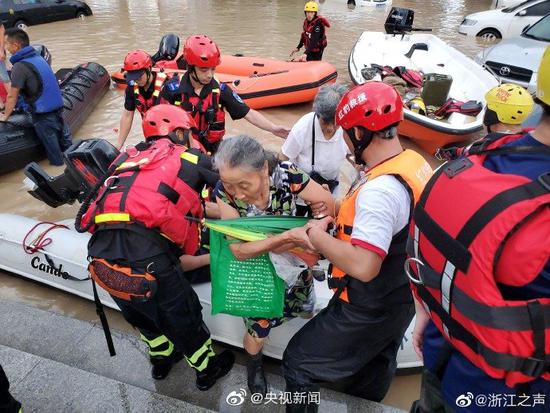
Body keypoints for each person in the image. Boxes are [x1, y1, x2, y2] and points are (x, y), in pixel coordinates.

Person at [408, 47, 550, 413]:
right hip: (513, 393)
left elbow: (425, 252)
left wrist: (426, 309)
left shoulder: (472, 161)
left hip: (444, 356)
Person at [282, 82, 433, 412]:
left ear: (362, 132)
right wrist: (336, 210)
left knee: (298, 362)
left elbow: (365, 266)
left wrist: (315, 235)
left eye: (346, 132)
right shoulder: (412, 163)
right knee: (376, 363)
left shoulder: (380, 192)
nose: (343, 139)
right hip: (401, 295)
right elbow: (396, 222)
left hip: (367, 303)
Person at [80, 104, 234, 389]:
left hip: (100, 253)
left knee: (138, 312)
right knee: (183, 314)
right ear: (178, 132)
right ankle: (206, 370)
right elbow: (231, 183)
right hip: (148, 255)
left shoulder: (126, 158)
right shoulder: (192, 157)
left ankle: (161, 361)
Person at [213, 135, 335, 396]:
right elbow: (239, 251)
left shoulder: (288, 175)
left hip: (294, 265)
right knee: (258, 330)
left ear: (264, 170)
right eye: (229, 185)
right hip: (257, 274)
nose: (238, 194)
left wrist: (319, 224)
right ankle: (253, 365)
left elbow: (326, 205)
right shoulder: (225, 194)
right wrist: (286, 238)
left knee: (304, 308)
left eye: (244, 184)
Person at [161, 34, 289, 154]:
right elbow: (158, 123)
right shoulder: (172, 90)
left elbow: (248, 113)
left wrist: (273, 128)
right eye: (204, 70)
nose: (210, 75)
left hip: (212, 152)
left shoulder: (220, 90)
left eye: (213, 69)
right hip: (183, 152)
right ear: (190, 67)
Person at [0, 28, 71, 166]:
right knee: (67, 146)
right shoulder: (38, 58)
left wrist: (5, 116)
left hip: (43, 117)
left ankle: (60, 174)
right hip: (58, 110)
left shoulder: (19, 67)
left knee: (56, 159)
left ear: (15, 45)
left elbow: (12, 97)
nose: (5, 48)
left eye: (6, 44)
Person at [280, 83, 350, 215]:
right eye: (325, 122)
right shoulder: (302, 128)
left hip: (330, 189)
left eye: (335, 123)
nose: (330, 128)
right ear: (318, 114)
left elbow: (354, 157)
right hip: (302, 194)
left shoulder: (349, 127)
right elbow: (282, 158)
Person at [116, 49, 171, 149]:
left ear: (149, 69)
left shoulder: (166, 86)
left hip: (170, 136)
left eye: (139, 77)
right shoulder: (132, 88)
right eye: (133, 78)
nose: (137, 80)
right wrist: (118, 145)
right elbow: (127, 115)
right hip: (150, 135)